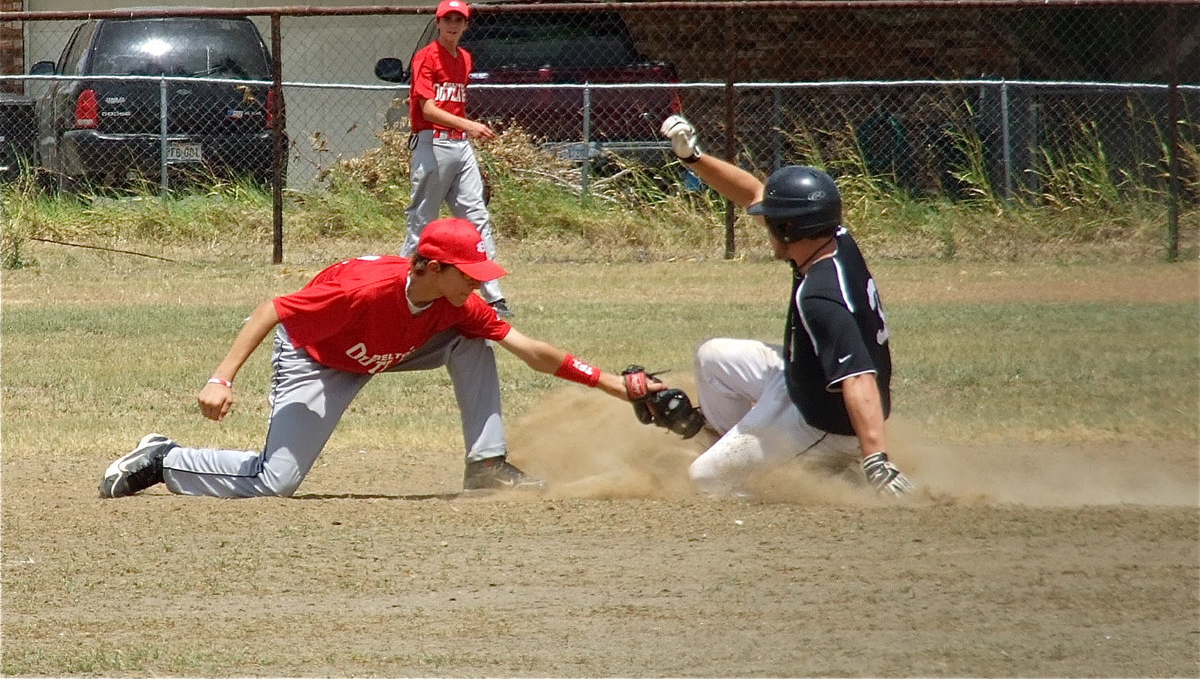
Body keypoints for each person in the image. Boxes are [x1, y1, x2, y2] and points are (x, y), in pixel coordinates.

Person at [99, 217, 662, 499]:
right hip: (316, 356)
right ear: (432, 268)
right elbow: (272, 308)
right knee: (276, 483)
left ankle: (486, 465)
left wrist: (615, 384)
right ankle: (165, 458)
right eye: (470, 274)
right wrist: (220, 378)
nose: (480, 284)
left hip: (386, 351)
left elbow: (530, 351)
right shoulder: (364, 290)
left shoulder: (455, 305)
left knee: (477, 340)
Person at [658, 114, 915, 498]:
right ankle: (739, 446)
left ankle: (824, 473)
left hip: (824, 422)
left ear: (789, 229)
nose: (766, 224)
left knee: (707, 480)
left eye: (772, 221)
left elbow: (859, 378)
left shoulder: (821, 296)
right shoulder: (831, 234)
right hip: (800, 378)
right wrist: (694, 158)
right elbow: (753, 193)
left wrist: (875, 458)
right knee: (713, 358)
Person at [402, 0, 512, 317]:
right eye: (447, 19)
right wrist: (470, 125)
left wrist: (465, 131)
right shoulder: (426, 57)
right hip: (432, 143)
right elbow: (428, 109)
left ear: (465, 25)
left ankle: (492, 294)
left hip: (460, 145)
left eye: (458, 20)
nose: (452, 25)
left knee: (476, 217)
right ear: (437, 23)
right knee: (422, 222)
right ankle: (403, 286)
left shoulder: (464, 58)